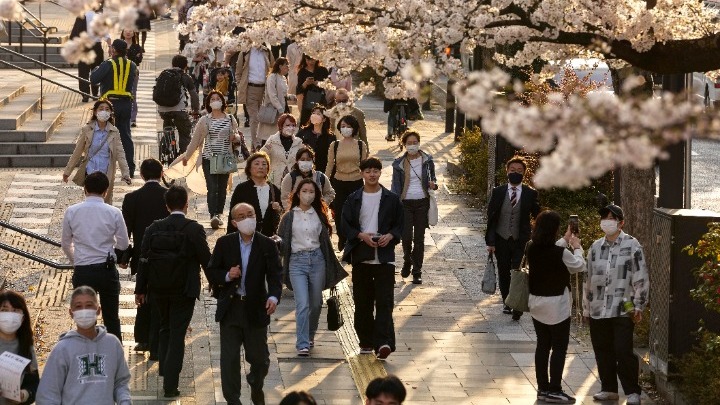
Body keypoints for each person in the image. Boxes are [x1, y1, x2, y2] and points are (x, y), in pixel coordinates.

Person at [135, 185, 212, 398]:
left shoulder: (153, 228)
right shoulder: (193, 229)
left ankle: (164, 367)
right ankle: (171, 384)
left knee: (164, 327)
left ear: (166, 205)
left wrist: (140, 290)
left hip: (157, 288)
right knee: (178, 334)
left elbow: (143, 260)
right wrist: (217, 283)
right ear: (186, 204)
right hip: (184, 289)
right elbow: (207, 260)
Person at [208, 202, 283, 405]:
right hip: (231, 308)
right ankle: (233, 400)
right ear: (234, 222)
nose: (246, 219)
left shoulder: (267, 244)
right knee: (229, 359)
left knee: (260, 359)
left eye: (249, 214)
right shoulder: (225, 243)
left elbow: (276, 275)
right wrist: (226, 275)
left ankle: (255, 383)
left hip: (256, 308)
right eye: (241, 216)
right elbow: (211, 271)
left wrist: (274, 297)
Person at [584, 204, 649, 405]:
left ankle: (632, 391)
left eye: (612, 218)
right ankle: (609, 388)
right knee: (602, 349)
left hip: (623, 308)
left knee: (623, 350)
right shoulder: (595, 247)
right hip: (598, 308)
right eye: (604, 217)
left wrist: (639, 305)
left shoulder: (632, 245)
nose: (607, 221)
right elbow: (588, 279)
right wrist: (586, 308)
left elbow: (640, 277)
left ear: (621, 222)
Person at [341, 157, 403, 360]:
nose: (372, 174)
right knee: (363, 302)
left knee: (385, 302)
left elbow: (400, 224)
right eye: (368, 171)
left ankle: (383, 343)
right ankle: (366, 341)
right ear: (362, 174)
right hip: (362, 256)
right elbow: (346, 225)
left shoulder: (391, 199)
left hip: (385, 258)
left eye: (376, 170)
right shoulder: (353, 198)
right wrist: (361, 236)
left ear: (380, 172)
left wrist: (391, 235)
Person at [277, 179, 348, 356]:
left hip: (317, 260)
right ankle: (301, 343)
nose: (308, 195)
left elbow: (325, 243)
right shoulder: (288, 217)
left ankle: (309, 336)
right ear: (297, 194)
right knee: (302, 303)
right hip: (296, 262)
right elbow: (281, 240)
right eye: (304, 191)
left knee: (316, 303)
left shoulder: (320, 215)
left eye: (311, 192)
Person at [61, 172, 129, 342]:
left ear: (85, 189)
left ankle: (84, 351)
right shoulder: (113, 212)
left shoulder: (72, 211)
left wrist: (75, 261)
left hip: (83, 269)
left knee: (83, 317)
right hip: (106, 269)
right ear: (106, 191)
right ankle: (115, 355)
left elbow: (65, 243)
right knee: (112, 318)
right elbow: (124, 244)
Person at [36, 286, 131, 405]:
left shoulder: (112, 344)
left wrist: (125, 401)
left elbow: (121, 382)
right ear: (71, 313)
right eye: (78, 306)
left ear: (98, 310)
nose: (84, 310)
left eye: (89, 305)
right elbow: (48, 394)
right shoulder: (62, 349)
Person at [527, 211, 585, 404]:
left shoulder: (531, 248)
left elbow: (550, 250)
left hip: (536, 303)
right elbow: (578, 265)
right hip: (557, 305)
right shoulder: (562, 253)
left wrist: (565, 239)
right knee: (559, 347)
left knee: (542, 345)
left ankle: (542, 388)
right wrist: (577, 248)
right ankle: (555, 389)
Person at [121, 158, 169, 355]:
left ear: (141, 175)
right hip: (167, 255)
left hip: (142, 254)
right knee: (163, 296)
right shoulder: (169, 195)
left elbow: (125, 232)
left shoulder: (132, 198)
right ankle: (159, 336)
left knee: (143, 295)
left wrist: (123, 256)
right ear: (162, 173)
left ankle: (142, 338)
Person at [485, 156, 541, 321]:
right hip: (501, 238)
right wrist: (490, 242)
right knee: (503, 271)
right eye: (512, 170)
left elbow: (538, 215)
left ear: (524, 173)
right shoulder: (498, 192)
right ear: (507, 172)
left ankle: (517, 305)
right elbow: (492, 218)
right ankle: (507, 302)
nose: (515, 173)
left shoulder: (530, 193)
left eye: (519, 171)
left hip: (521, 239)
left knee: (517, 271)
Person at [181, 90, 244, 229]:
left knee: (222, 188)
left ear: (222, 101)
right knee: (212, 187)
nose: (215, 101)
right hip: (209, 157)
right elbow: (196, 140)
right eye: (212, 99)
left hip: (225, 157)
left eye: (218, 98)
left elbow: (238, 136)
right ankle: (212, 215)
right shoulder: (204, 120)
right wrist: (187, 156)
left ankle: (219, 214)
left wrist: (235, 138)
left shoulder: (230, 119)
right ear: (209, 103)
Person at [390, 131, 438, 285]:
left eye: (415, 142)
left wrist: (433, 185)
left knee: (419, 238)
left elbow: (434, 180)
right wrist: (394, 205)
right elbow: (395, 187)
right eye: (409, 143)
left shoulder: (427, 160)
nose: (413, 145)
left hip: (422, 202)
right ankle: (407, 260)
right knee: (406, 237)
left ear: (419, 142)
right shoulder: (398, 164)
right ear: (404, 145)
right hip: (405, 203)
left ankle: (417, 271)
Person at [62, 99, 131, 204]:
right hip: (90, 171)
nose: (104, 111)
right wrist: (67, 171)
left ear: (111, 113)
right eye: (101, 109)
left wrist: (125, 173)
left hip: (106, 172)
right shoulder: (87, 129)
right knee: (91, 200)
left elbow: (120, 154)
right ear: (95, 112)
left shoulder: (114, 131)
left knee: (105, 201)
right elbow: (77, 151)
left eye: (107, 109)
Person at [90, 39, 138, 177]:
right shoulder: (132, 65)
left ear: (114, 50)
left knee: (104, 135)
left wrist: (96, 69)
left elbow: (94, 79)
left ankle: (102, 169)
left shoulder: (108, 64)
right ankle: (130, 169)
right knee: (126, 136)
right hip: (126, 104)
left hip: (109, 105)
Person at [326, 115, 368, 250]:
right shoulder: (335, 145)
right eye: (343, 126)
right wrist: (324, 182)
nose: (346, 129)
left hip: (356, 182)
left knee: (355, 213)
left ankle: (353, 239)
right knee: (338, 212)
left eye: (349, 126)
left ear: (354, 128)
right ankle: (342, 237)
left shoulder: (361, 145)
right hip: (339, 182)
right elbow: (330, 165)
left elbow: (364, 165)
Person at [226, 152, 283, 236]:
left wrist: (278, 208)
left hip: (268, 237)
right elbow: (233, 214)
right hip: (245, 235)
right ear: (249, 168)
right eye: (256, 164)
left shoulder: (274, 189)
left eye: (264, 164)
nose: (261, 167)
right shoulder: (241, 189)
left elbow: (280, 214)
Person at [0, 290, 39, 404]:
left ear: (22, 318)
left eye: (15, 310)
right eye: (4, 310)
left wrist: (23, 395)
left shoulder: (26, 347)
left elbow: (34, 385)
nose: (10, 315)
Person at [234, 45, 275, 149]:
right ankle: (257, 144)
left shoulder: (267, 52)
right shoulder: (244, 53)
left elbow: (273, 69)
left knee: (263, 117)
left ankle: (257, 142)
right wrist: (241, 86)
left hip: (265, 89)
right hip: (250, 88)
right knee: (254, 118)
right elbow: (238, 72)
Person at [158, 55, 201, 153]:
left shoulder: (164, 74)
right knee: (185, 132)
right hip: (179, 110)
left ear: (172, 64)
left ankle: (168, 142)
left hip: (162, 110)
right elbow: (194, 95)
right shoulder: (185, 77)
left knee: (168, 123)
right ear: (186, 66)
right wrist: (195, 110)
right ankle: (183, 156)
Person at [70, 7, 109, 102]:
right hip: (96, 46)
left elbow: (74, 34)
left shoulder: (81, 16)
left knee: (83, 71)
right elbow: (106, 35)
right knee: (96, 70)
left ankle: (85, 94)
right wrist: (110, 46)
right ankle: (95, 93)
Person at [260, 113, 304, 184]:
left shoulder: (298, 142)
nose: (291, 128)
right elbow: (262, 155)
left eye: (293, 125)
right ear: (281, 126)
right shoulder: (272, 140)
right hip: (275, 179)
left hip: (293, 179)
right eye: (288, 125)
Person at [258, 58, 290, 142]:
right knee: (268, 136)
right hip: (273, 110)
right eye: (286, 65)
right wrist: (280, 108)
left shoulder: (283, 78)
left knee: (280, 136)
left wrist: (291, 97)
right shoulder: (272, 77)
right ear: (280, 66)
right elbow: (272, 95)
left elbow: (284, 94)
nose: (288, 67)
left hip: (282, 109)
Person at [297, 105, 336, 173]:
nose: (315, 115)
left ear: (324, 119)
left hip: (322, 170)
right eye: (313, 113)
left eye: (318, 114)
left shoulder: (330, 137)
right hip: (304, 170)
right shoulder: (303, 132)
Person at [296, 54, 330, 126]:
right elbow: (299, 90)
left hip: (320, 99)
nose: (310, 62)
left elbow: (329, 85)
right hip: (308, 101)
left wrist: (316, 83)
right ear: (304, 59)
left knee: (322, 122)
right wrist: (305, 83)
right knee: (306, 123)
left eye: (312, 60)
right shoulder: (302, 72)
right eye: (308, 60)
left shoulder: (323, 70)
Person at [119, 29, 143, 128]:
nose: (128, 33)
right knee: (121, 94)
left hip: (133, 73)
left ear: (134, 33)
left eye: (130, 31)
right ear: (122, 33)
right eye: (126, 31)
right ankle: (122, 116)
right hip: (120, 73)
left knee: (132, 95)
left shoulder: (137, 47)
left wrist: (131, 56)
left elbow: (138, 59)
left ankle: (133, 118)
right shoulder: (119, 46)